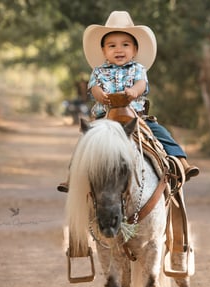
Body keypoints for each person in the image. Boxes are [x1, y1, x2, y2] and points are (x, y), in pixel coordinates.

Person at [58, 11, 199, 193]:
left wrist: (133, 91)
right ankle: (72, 175)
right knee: (85, 140)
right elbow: (94, 88)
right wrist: (100, 95)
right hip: (105, 118)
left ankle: (182, 162)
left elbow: (142, 84)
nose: (119, 49)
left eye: (125, 45)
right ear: (104, 51)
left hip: (136, 117)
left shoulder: (138, 69)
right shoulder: (98, 71)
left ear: (134, 50)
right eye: (112, 45)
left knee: (162, 133)